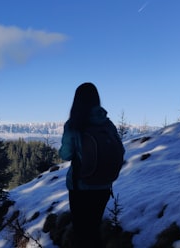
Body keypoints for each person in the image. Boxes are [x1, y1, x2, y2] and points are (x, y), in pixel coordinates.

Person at [59, 82, 123, 248]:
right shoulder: (107, 123)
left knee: (81, 233)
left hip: (81, 186)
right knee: (94, 230)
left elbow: (66, 154)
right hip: (104, 185)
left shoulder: (75, 124)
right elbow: (120, 150)